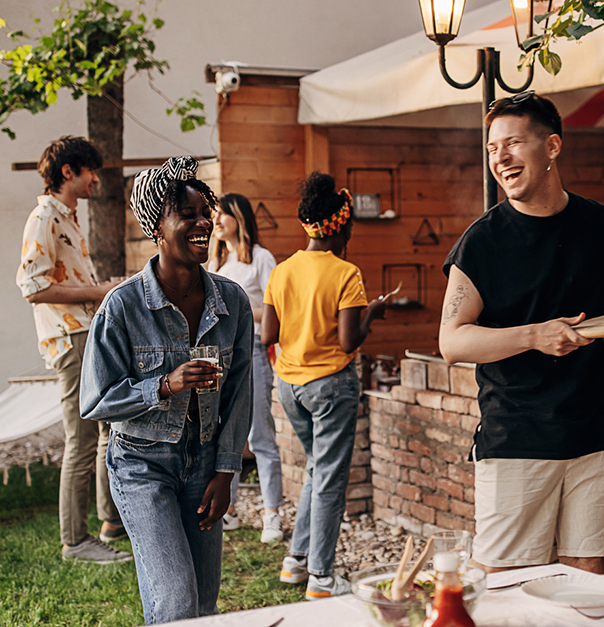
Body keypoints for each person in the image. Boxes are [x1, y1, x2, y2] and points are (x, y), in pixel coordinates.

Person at [438, 92, 604, 575]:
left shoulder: (601, 227)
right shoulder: (482, 243)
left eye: (513, 143)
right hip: (517, 434)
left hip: (595, 429)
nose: (500, 157)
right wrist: (534, 336)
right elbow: (453, 342)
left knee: (586, 577)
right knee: (506, 583)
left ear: (553, 147)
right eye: (492, 147)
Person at [80, 156, 253, 624]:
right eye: (188, 214)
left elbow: (239, 394)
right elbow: (95, 400)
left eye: (205, 213)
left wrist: (225, 471)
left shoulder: (231, 301)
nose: (203, 223)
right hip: (141, 466)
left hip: (204, 464)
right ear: (157, 225)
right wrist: (164, 385)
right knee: (175, 604)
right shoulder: (122, 306)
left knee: (203, 608)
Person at [262, 172, 386, 600]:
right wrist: (371, 313)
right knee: (331, 478)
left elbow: (266, 336)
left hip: (289, 387)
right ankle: (322, 576)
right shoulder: (346, 274)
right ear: (342, 227)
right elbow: (350, 341)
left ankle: (296, 561)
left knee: (317, 468)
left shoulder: (281, 272)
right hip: (331, 386)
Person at [16, 136, 131, 564]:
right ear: (69, 172)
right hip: (69, 338)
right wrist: (99, 290)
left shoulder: (68, 217)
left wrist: (103, 294)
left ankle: (112, 521)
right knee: (81, 439)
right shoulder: (44, 216)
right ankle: (75, 541)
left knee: (104, 427)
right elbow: (33, 287)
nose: (95, 179)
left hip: (85, 332)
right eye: (90, 172)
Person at [207, 193, 285, 543]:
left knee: (260, 437)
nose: (217, 220)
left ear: (240, 217)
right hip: (222, 357)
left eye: (223, 214)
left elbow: (275, 313)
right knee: (226, 435)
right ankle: (230, 510)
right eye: (215, 215)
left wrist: (237, 310)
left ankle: (272, 515)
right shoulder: (219, 263)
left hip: (252, 352)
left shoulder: (261, 259)